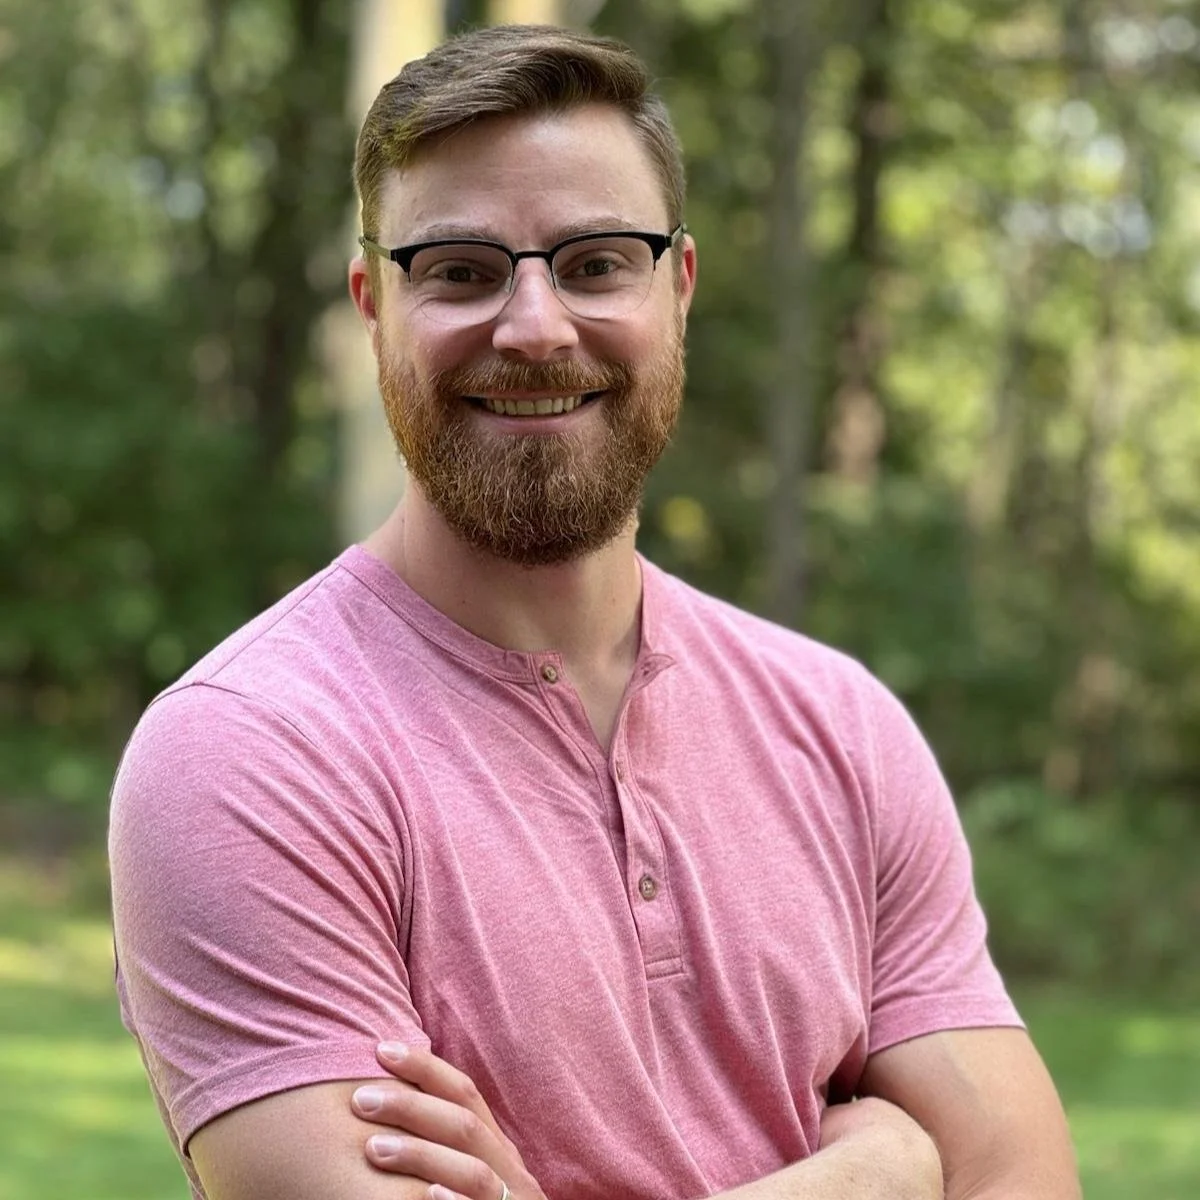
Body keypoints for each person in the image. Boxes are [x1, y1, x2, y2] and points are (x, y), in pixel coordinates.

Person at [108, 22, 1081, 1200]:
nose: (533, 326)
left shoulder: (841, 729)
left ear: (678, 288)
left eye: (594, 262)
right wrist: (875, 1173)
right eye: (460, 269)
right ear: (374, 303)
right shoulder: (249, 752)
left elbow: (1021, 1182)